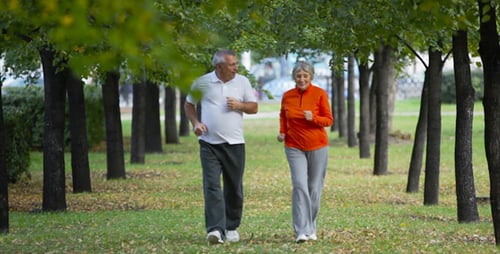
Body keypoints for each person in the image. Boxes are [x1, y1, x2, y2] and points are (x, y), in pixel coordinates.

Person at [184, 49, 258, 245]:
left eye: (235, 64)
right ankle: (215, 229)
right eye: (232, 64)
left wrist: (240, 106)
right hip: (209, 144)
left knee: (234, 187)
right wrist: (196, 123)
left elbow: (254, 107)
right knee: (212, 186)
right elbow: (189, 104)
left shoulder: (242, 81)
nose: (236, 68)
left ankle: (231, 226)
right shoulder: (202, 82)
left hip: (235, 144)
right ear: (219, 67)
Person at [277, 61, 333, 243]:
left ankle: (311, 226)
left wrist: (314, 118)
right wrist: (282, 132)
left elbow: (329, 120)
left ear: (311, 77)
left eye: (305, 76)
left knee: (314, 188)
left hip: (318, 146)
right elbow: (283, 116)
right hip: (294, 146)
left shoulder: (319, 94)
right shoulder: (287, 96)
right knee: (300, 185)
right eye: (298, 76)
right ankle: (301, 230)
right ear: (294, 77)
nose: (301, 79)